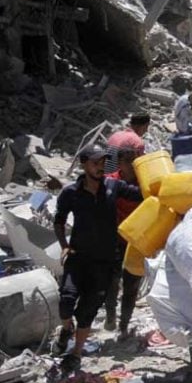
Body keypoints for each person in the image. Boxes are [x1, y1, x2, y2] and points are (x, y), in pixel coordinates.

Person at [53, 144, 142, 371]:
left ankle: (76, 353)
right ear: (84, 164)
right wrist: (64, 246)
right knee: (66, 301)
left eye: (103, 162)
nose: (100, 167)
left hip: (104, 262)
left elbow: (142, 195)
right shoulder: (70, 193)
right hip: (77, 258)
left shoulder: (113, 186)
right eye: (95, 163)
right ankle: (66, 329)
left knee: (88, 311)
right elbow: (59, 221)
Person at [103, 148, 146, 338]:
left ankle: (124, 325)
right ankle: (110, 314)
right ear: (119, 163)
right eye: (128, 161)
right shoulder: (110, 181)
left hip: (136, 241)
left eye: (135, 161)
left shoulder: (145, 182)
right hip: (113, 239)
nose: (133, 165)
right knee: (111, 281)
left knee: (131, 285)